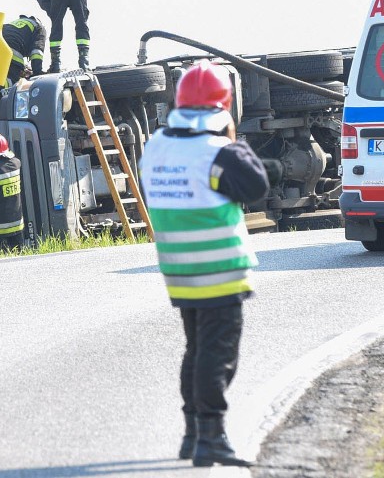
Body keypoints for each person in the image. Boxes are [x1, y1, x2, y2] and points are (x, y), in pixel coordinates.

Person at [138, 60, 269, 467]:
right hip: (220, 269)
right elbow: (256, 186)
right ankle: (212, 436)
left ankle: (193, 433)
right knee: (217, 354)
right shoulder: (217, 151)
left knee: (196, 350)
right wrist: (235, 140)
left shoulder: (157, 146)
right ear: (222, 105)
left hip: (179, 272)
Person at [35, 0, 90, 72]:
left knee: (56, 25)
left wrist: (53, 14)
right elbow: (85, 12)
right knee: (82, 22)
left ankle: (56, 64)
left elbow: (43, 0)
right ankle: (84, 63)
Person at [2, 15, 47, 85]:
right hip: (12, 48)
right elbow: (37, 52)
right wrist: (37, 72)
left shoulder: (16, 23)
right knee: (12, 81)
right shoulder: (39, 27)